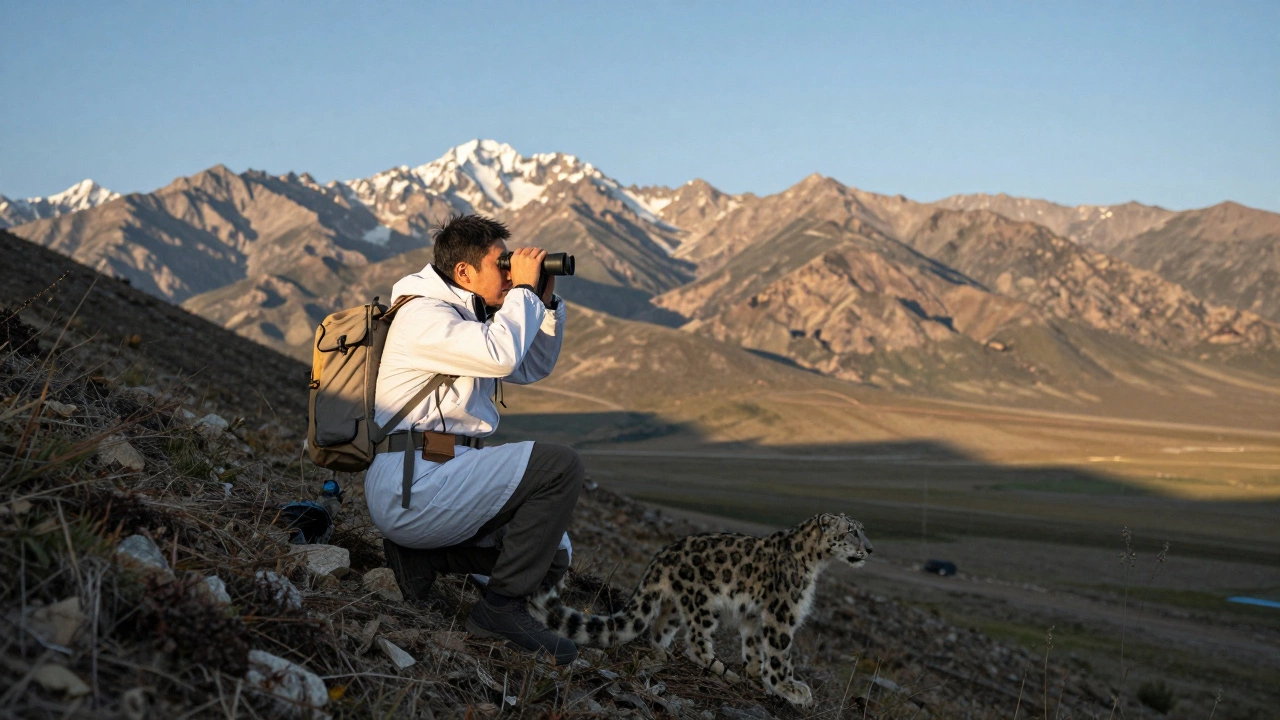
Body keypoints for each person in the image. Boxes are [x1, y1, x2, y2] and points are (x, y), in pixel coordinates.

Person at [366, 213, 583, 665]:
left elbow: (529, 366)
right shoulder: (423, 315)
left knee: (552, 553)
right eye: (501, 264)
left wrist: (542, 302)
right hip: (414, 483)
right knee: (559, 466)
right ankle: (499, 609)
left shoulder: (464, 316)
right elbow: (501, 355)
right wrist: (523, 293)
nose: (510, 274)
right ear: (463, 272)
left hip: (443, 473)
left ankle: (422, 560)